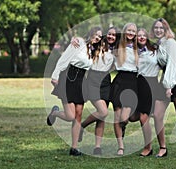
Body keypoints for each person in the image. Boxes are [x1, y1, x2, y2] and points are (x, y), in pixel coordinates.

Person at [46, 26, 103, 156]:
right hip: (69, 78)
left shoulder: (93, 50)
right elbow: (64, 58)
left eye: (100, 37)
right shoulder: (78, 42)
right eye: (96, 35)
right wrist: (55, 76)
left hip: (82, 81)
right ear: (91, 33)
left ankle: (74, 148)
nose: (97, 38)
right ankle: (55, 113)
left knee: (78, 115)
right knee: (70, 115)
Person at [72, 26, 120, 155]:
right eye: (109, 34)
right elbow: (86, 40)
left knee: (102, 116)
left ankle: (97, 146)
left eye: (114, 35)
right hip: (93, 79)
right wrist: (74, 39)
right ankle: (82, 126)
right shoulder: (98, 45)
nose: (111, 37)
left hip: (105, 81)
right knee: (103, 112)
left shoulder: (116, 50)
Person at [150, 18, 176, 158]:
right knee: (157, 115)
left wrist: (169, 86)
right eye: (156, 27)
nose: (158, 30)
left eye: (161, 28)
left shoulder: (171, 43)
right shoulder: (159, 44)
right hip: (165, 79)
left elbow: (173, 65)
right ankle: (162, 148)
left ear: (166, 29)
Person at [110, 23, 139, 156]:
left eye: (133, 31)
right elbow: (97, 39)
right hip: (119, 81)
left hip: (132, 82)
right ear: (124, 31)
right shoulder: (117, 44)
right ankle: (120, 146)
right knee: (117, 116)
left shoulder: (139, 47)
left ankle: (124, 126)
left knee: (124, 118)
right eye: (129, 30)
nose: (131, 33)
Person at [135, 28, 160, 157]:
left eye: (144, 35)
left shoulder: (155, 50)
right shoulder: (134, 51)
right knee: (136, 116)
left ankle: (149, 147)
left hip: (151, 83)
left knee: (147, 116)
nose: (141, 37)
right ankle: (149, 146)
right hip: (139, 83)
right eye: (139, 36)